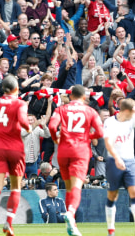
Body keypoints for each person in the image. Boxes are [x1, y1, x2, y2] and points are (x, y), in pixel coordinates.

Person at [48, 84, 104, 236]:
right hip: (80, 151)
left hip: (63, 150)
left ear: (70, 96)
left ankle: (71, 226)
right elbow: (99, 132)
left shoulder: (61, 109)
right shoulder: (90, 111)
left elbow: (52, 126)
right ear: (84, 97)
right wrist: (86, 136)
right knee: (77, 187)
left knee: (68, 187)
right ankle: (71, 212)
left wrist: (55, 138)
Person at [103, 98, 135, 236]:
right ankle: (111, 230)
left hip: (130, 161)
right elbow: (108, 143)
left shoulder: (132, 119)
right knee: (113, 195)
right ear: (126, 111)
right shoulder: (110, 122)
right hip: (114, 161)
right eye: (133, 112)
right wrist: (117, 158)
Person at [0, 76, 31, 236]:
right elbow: (23, 121)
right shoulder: (19, 103)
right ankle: (8, 223)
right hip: (15, 149)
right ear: (16, 88)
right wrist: (29, 128)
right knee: (15, 187)